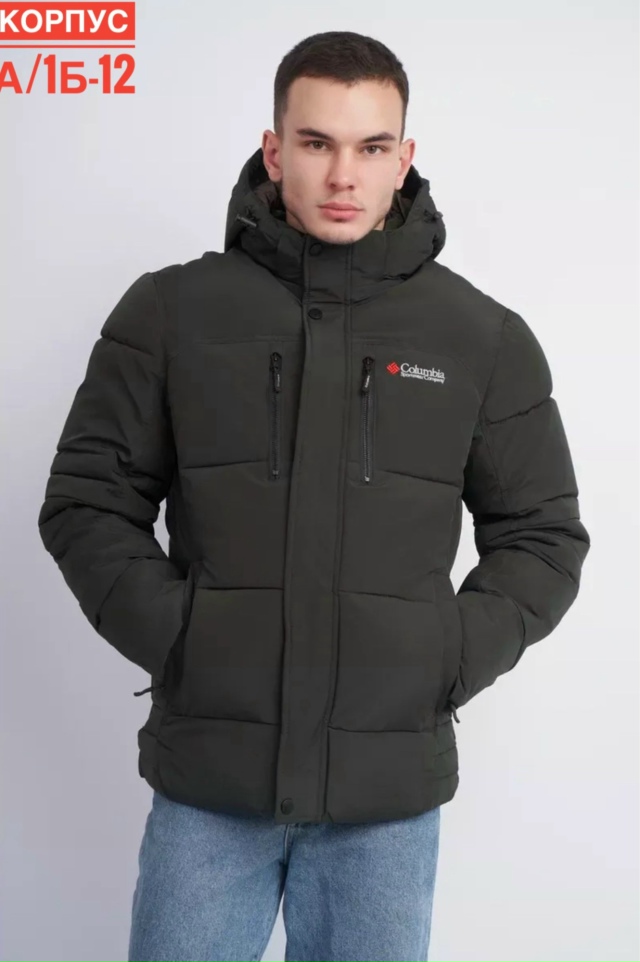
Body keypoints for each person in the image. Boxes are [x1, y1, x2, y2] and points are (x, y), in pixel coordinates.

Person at [37, 29, 591, 962]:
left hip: (386, 801)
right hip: (211, 784)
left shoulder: (480, 337)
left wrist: (443, 655)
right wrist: (184, 639)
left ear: (404, 158)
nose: (343, 175)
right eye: (316, 142)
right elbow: (87, 502)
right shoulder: (171, 313)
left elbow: (543, 535)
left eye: (371, 147)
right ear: (274, 149)